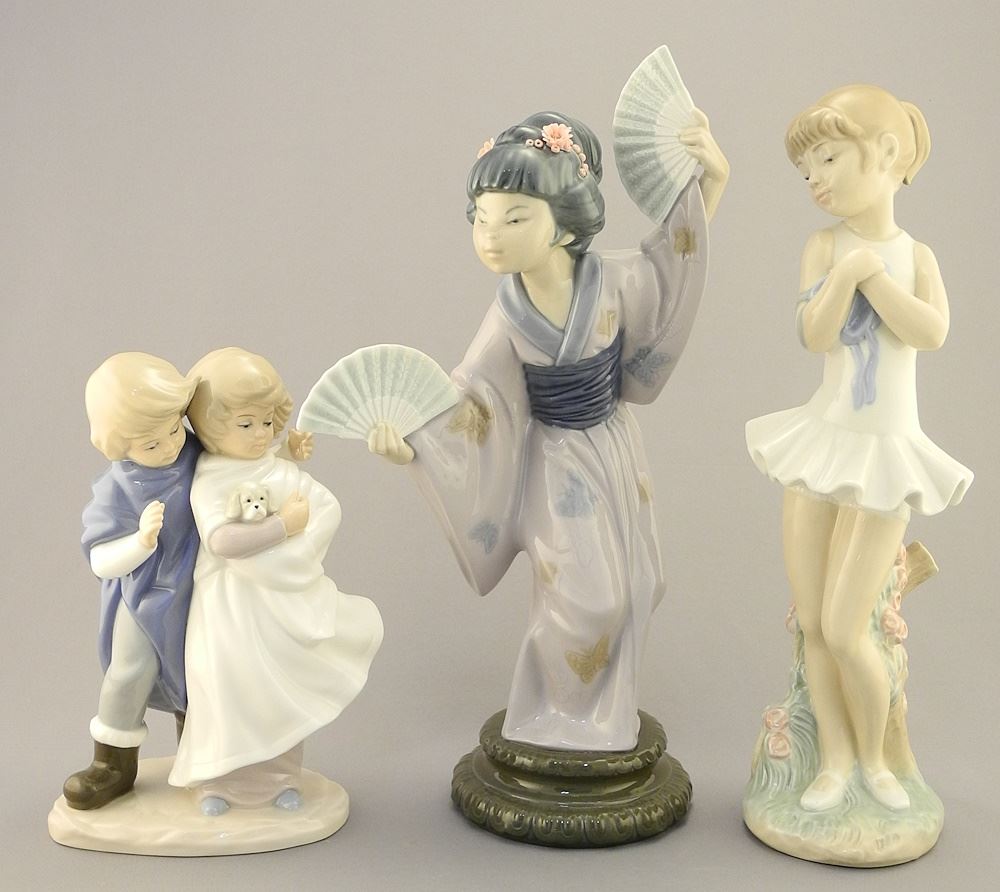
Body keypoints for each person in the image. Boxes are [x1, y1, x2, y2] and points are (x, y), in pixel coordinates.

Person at [371, 111, 727, 750]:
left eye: (513, 219)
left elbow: (672, 268)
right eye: (481, 218)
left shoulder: (613, 279)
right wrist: (414, 441)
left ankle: (601, 716)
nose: (490, 235)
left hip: (614, 445)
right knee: (587, 596)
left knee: (639, 584)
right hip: (554, 460)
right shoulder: (507, 315)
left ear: (565, 223)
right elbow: (471, 398)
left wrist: (712, 182)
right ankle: (552, 713)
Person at [746, 85, 973, 812]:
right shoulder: (825, 247)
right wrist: (848, 272)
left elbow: (931, 331)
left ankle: (877, 762)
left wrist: (874, 275)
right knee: (814, 623)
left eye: (828, 159)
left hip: (884, 455)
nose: (814, 179)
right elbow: (814, 333)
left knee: (849, 628)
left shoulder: (917, 256)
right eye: (805, 169)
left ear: (886, 154)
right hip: (822, 444)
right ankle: (835, 762)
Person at [169, 347, 383, 815]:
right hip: (230, 609)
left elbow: (314, 501)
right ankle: (217, 783)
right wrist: (284, 527)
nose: (261, 434)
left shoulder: (271, 465)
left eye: (267, 421)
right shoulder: (210, 479)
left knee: (280, 693)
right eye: (246, 424)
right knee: (228, 688)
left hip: (278, 610)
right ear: (209, 426)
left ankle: (281, 777)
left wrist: (288, 460)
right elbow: (222, 541)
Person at [67, 353, 200, 809]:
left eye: (175, 429)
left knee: (204, 669)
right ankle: (113, 764)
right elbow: (101, 559)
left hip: (201, 586)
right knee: (129, 672)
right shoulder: (117, 488)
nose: (170, 446)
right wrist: (141, 542)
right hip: (145, 595)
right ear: (116, 444)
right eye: (150, 443)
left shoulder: (194, 453)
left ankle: (201, 756)